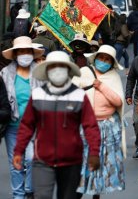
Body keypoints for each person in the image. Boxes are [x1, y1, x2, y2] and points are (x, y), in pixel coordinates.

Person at [12, 51, 101, 199]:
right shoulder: (38, 95)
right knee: (42, 196)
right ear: (47, 71)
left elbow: (90, 126)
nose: (57, 70)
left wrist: (94, 153)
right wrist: (19, 151)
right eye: (53, 67)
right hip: (42, 160)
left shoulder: (78, 95)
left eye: (61, 66)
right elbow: (27, 125)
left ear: (68, 70)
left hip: (72, 161)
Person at [73, 45, 126, 197]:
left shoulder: (113, 77)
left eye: (107, 59)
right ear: (95, 58)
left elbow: (118, 101)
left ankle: (97, 192)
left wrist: (101, 86)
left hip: (107, 126)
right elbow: (72, 93)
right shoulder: (83, 72)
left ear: (112, 62)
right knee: (83, 161)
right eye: (101, 58)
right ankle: (79, 191)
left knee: (102, 162)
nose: (103, 61)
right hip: (85, 126)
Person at [0, 36, 45, 199]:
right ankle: (18, 195)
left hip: (34, 126)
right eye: (21, 51)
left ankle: (29, 190)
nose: (24, 54)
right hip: (12, 127)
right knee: (16, 164)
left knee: (32, 159)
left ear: (32, 53)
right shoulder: (5, 73)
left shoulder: (40, 72)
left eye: (27, 51)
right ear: (15, 54)